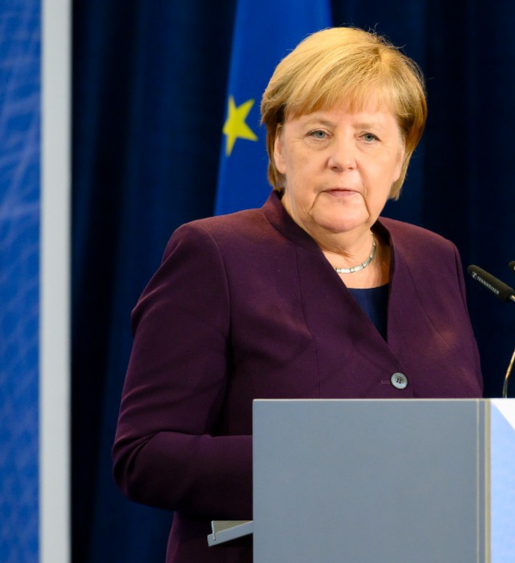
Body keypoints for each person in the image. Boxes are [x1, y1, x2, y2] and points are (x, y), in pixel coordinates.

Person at [112, 27, 483, 562]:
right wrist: (312, 461)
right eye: (319, 133)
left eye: (369, 137)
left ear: (401, 159)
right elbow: (143, 456)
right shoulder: (215, 255)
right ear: (279, 148)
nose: (343, 159)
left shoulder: (435, 259)